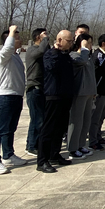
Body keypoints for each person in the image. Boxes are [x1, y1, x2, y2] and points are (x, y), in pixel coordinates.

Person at [0, 25, 28, 175]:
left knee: (10, 129)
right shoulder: (2, 56)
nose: (20, 40)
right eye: (17, 38)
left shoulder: (15, 56)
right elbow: (8, 48)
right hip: (5, 97)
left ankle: (8, 155)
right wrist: (11, 31)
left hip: (17, 96)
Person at [37, 30, 76, 173]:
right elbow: (51, 68)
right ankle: (42, 161)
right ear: (59, 40)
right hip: (53, 95)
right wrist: (55, 50)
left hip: (65, 96)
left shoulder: (65, 56)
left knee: (60, 128)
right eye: (69, 41)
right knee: (48, 129)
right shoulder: (50, 54)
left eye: (72, 41)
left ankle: (54, 154)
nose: (71, 44)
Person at [68, 32, 96, 159]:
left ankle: (81, 145)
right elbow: (82, 61)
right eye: (88, 43)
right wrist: (84, 48)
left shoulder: (87, 57)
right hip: (79, 93)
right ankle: (72, 148)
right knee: (76, 121)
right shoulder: (75, 56)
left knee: (86, 121)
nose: (90, 45)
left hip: (89, 92)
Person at [24, 28, 49, 156]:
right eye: (44, 35)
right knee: (37, 119)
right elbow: (41, 51)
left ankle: (34, 143)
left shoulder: (43, 50)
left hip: (42, 88)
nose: (47, 37)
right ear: (38, 37)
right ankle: (32, 146)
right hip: (34, 89)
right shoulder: (32, 50)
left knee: (40, 118)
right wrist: (45, 39)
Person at [89, 33, 105, 151]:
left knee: (101, 116)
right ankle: (93, 141)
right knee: (95, 117)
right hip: (100, 91)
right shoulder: (99, 54)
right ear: (104, 43)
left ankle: (98, 136)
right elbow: (101, 68)